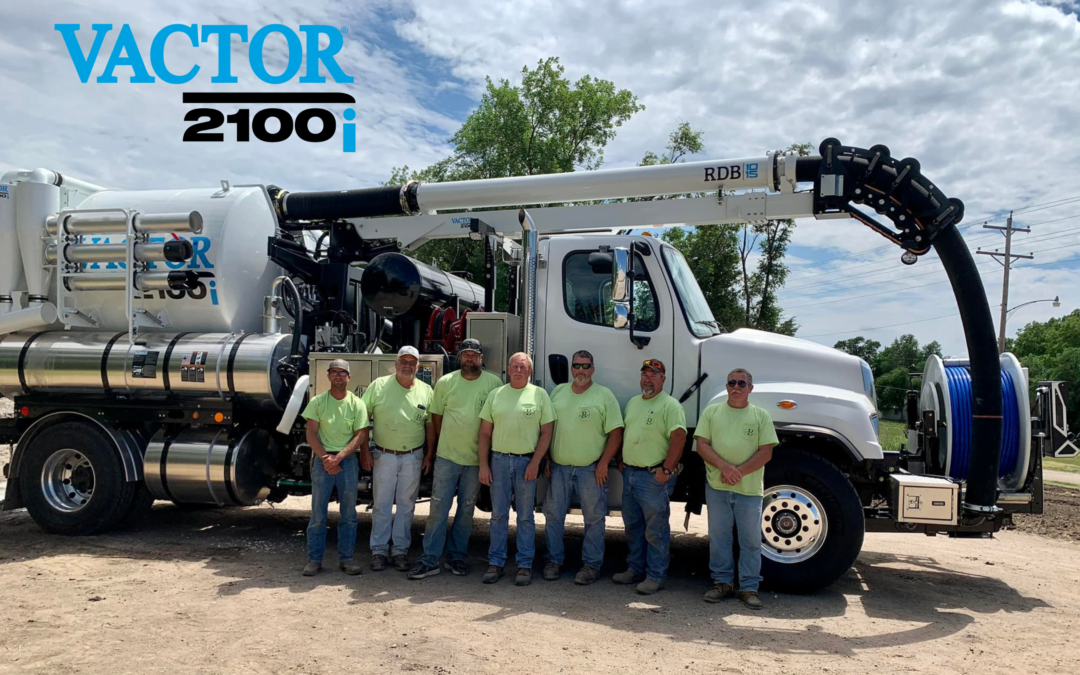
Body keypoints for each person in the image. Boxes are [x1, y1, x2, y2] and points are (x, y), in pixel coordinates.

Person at [408, 340, 502, 579]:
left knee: (466, 511)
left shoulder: (494, 383)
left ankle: (456, 557)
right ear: (459, 357)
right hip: (447, 458)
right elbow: (436, 417)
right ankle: (429, 559)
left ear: (481, 358)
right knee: (438, 510)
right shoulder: (446, 382)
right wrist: (442, 445)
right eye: (465, 355)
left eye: (474, 355)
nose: (470, 359)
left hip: (475, 461)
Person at [694, 368, 778, 610]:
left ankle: (749, 588)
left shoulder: (761, 416)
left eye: (742, 383)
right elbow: (701, 445)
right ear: (727, 385)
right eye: (732, 382)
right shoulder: (712, 412)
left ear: (750, 388)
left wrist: (737, 472)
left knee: (750, 541)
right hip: (717, 487)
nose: (736, 386)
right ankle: (722, 583)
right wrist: (724, 467)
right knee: (719, 538)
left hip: (749, 490)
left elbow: (766, 452)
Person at [542, 350, 623, 585]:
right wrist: (547, 457)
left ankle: (591, 565)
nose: (581, 370)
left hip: (591, 470)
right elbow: (546, 427)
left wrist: (604, 464)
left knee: (594, 519)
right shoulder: (558, 392)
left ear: (593, 369)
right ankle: (553, 561)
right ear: (571, 368)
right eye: (577, 365)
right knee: (553, 517)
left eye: (586, 366)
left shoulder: (604, 395)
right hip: (558, 468)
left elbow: (616, 433)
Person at [478, 352, 556, 586]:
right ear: (508, 369)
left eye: (523, 367)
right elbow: (484, 433)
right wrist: (484, 464)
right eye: (515, 366)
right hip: (499, 461)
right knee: (498, 515)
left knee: (525, 517)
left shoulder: (539, 395)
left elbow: (547, 432)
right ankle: (496, 563)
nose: (519, 370)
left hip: (526, 463)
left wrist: (536, 462)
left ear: (530, 371)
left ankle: (524, 565)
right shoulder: (496, 395)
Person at [613, 358, 686, 595]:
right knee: (633, 526)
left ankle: (656, 575)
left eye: (654, 375)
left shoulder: (670, 405)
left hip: (653, 477)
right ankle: (635, 569)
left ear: (663, 380)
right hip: (631, 474)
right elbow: (627, 432)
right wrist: (622, 460)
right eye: (645, 374)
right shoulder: (634, 402)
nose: (648, 379)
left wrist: (666, 471)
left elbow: (679, 439)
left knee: (655, 529)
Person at [361, 346, 435, 572]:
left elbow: (430, 425)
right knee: (382, 505)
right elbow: (363, 418)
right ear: (395, 363)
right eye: (403, 361)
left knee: (406, 506)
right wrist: (365, 450)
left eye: (412, 362)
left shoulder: (426, 390)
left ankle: (400, 551)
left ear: (417, 366)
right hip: (384, 455)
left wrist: (430, 454)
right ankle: (379, 551)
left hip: (413, 456)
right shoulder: (379, 386)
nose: (407, 365)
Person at [301, 359, 370, 577]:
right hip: (323, 462)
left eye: (343, 373)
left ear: (349, 378)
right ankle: (314, 560)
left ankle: (346, 559)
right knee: (318, 515)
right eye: (334, 372)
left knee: (348, 514)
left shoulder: (357, 404)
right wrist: (325, 458)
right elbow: (311, 433)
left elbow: (361, 434)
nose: (338, 376)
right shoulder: (318, 402)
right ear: (328, 376)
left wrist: (339, 457)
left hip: (347, 462)